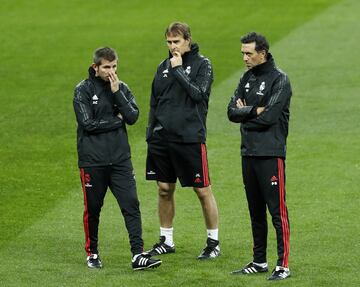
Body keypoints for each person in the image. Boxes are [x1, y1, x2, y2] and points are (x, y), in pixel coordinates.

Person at [73, 47, 161, 270]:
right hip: (93, 161)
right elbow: (88, 124)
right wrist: (116, 121)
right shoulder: (82, 90)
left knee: (131, 205)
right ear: (96, 67)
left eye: (114, 67)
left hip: (120, 160)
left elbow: (132, 117)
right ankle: (92, 253)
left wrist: (117, 93)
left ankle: (137, 255)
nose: (111, 71)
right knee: (93, 209)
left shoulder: (121, 88)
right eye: (106, 67)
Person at [145, 22, 220, 259]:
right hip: (161, 139)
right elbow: (155, 102)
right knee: (164, 189)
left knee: (202, 190)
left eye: (176, 41)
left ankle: (213, 243)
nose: (172, 46)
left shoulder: (202, 65)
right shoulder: (162, 67)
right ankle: (166, 240)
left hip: (189, 138)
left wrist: (178, 70)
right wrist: (150, 133)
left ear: (188, 40)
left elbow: (198, 94)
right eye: (169, 42)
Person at [227, 32, 292, 280]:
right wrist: (254, 110)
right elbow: (231, 112)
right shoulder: (246, 78)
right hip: (249, 153)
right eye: (243, 53)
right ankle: (259, 261)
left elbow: (270, 117)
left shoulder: (280, 80)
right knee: (255, 212)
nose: (244, 57)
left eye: (248, 53)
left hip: (270, 154)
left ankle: (283, 264)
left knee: (277, 212)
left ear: (262, 54)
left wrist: (247, 115)